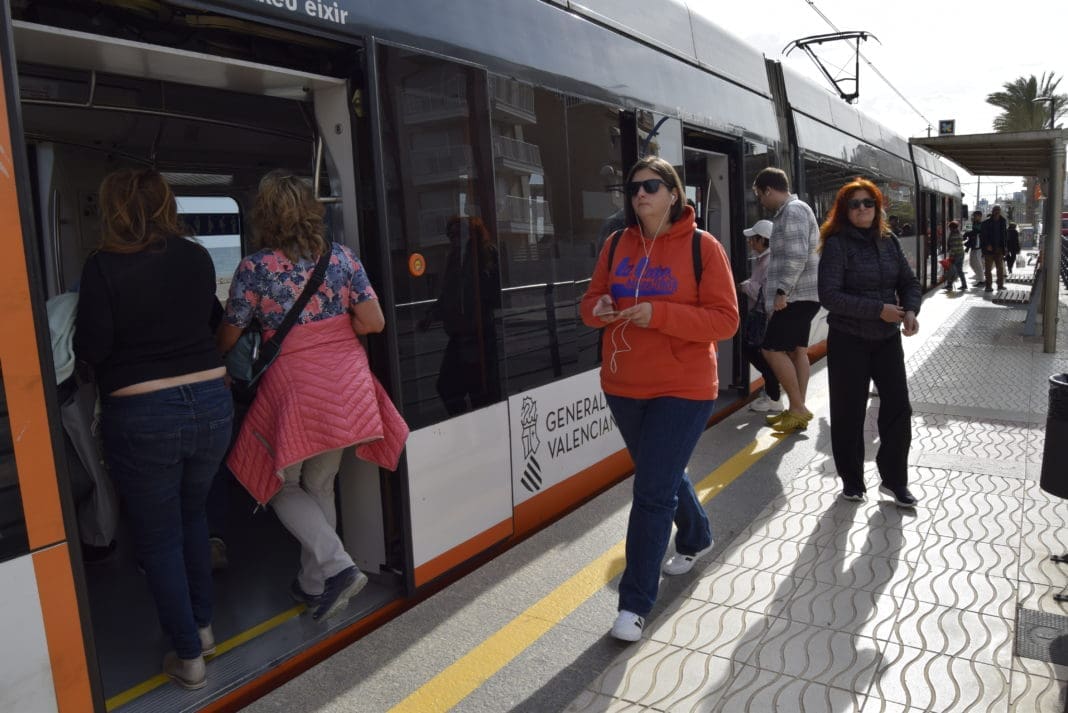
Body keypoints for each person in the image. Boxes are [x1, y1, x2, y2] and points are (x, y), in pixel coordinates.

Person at [218, 170, 406, 624]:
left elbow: (229, 335)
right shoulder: (341, 258)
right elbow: (374, 321)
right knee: (320, 484)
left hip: (296, 390)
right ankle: (314, 583)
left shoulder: (255, 268)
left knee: (278, 483)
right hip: (347, 385)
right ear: (310, 211)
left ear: (264, 216)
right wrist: (337, 330)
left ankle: (337, 567)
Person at [74, 168, 233, 689]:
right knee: (193, 516)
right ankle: (204, 630)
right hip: (212, 402)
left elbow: (93, 347)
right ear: (166, 204)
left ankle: (188, 656)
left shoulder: (101, 267)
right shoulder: (196, 257)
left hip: (144, 412)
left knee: (159, 537)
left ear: (113, 210)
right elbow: (211, 321)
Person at [580, 156, 738, 642]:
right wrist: (599, 308)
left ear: (673, 193)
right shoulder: (615, 244)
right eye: (633, 189)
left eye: (650, 186)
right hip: (623, 386)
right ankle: (697, 535)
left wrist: (660, 315)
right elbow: (588, 306)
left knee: (650, 492)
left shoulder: (702, 247)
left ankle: (633, 605)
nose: (640, 195)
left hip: (684, 388)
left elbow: (726, 320)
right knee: (661, 475)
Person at [817, 178, 920, 508]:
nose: (862, 209)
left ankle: (894, 481)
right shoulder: (836, 244)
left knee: (899, 407)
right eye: (855, 204)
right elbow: (829, 295)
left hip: (886, 339)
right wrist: (879, 310)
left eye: (868, 202)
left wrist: (910, 310)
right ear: (844, 211)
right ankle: (852, 481)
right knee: (848, 411)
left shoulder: (888, 241)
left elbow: (909, 282)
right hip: (848, 339)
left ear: (877, 207)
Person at [751, 167, 821, 434]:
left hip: (795, 295)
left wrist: (782, 291)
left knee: (770, 349)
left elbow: (795, 255)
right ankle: (796, 409)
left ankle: (798, 409)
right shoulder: (795, 210)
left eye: (760, 195)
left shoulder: (792, 211)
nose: (761, 201)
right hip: (803, 294)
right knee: (797, 351)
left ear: (769, 190)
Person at [418, 216, 501, 415]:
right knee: (448, 386)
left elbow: (492, 295)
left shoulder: (485, 253)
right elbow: (448, 294)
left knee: (478, 392)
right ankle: (464, 422)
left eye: (457, 234)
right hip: (460, 334)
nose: (453, 239)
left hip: (479, 334)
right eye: (450, 235)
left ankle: (475, 424)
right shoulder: (454, 258)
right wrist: (432, 314)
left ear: (471, 235)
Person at [738, 219, 781, 412]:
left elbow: (764, 292)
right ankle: (772, 392)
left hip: (764, 317)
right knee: (755, 351)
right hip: (762, 316)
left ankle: (774, 396)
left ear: (763, 240)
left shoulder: (770, 261)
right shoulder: (762, 259)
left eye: (753, 239)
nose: (750, 242)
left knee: (755, 352)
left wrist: (744, 286)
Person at [980, 205, 1008, 291]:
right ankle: (988, 286)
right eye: (995, 210)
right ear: (992, 212)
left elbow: (1004, 236)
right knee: (988, 269)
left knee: (1000, 268)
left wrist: (1005, 247)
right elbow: (983, 236)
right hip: (989, 249)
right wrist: (987, 245)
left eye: (998, 210)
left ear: (1000, 211)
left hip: (999, 248)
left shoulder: (1003, 222)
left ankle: (1000, 285)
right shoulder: (986, 223)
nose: (997, 212)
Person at [945, 220, 967, 291]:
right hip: (961, 254)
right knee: (960, 270)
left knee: (951, 270)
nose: (949, 229)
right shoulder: (959, 234)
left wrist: (951, 256)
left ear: (952, 228)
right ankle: (964, 284)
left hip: (955, 255)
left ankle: (949, 285)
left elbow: (954, 247)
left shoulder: (953, 236)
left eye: (950, 228)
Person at [964, 210, 984, 286]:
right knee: (972, 263)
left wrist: (970, 229)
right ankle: (979, 277)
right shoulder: (972, 224)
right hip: (973, 246)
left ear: (980, 216)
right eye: (973, 216)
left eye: (975, 216)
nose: (974, 217)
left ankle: (982, 280)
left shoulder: (982, 225)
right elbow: (967, 232)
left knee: (977, 262)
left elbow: (975, 232)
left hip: (978, 246)